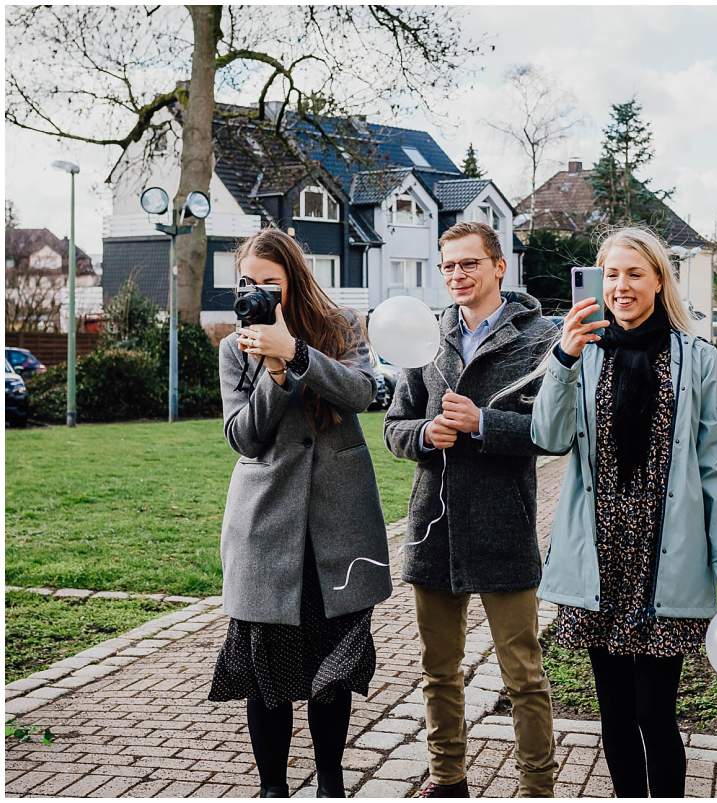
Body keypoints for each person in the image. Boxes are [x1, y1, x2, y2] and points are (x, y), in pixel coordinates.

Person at [531, 226, 717, 798]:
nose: (621, 286)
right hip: (600, 557)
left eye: (634, 273)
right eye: (611, 274)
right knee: (613, 716)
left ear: (660, 279)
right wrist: (562, 357)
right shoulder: (580, 354)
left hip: (665, 556)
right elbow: (548, 436)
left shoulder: (698, 360)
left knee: (655, 714)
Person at [208, 227, 392, 798]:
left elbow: (365, 392)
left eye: (271, 282)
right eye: (248, 282)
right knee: (268, 676)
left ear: (294, 280)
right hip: (267, 527)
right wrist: (275, 374)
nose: (259, 293)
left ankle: (331, 785)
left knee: (330, 672)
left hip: (338, 523)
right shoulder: (233, 348)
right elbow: (244, 437)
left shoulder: (340, 327)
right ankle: (272, 789)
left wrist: (298, 354)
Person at [384, 221, 559, 798]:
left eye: (469, 264)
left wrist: (483, 423)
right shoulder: (423, 337)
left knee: (524, 676)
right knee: (438, 671)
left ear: (499, 266)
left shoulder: (539, 338)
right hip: (433, 527)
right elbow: (394, 428)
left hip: (504, 525)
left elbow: (553, 432)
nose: (457, 275)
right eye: (449, 266)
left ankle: (537, 789)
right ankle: (447, 780)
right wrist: (426, 434)